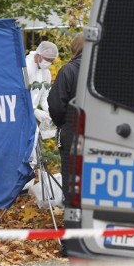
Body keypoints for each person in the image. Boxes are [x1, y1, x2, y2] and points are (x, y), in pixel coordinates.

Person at [48, 32, 83, 204]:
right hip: (103, 134)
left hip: (72, 132)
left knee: (72, 180)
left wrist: (63, 123)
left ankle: (73, 220)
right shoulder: (105, 70)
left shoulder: (68, 71)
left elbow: (55, 104)